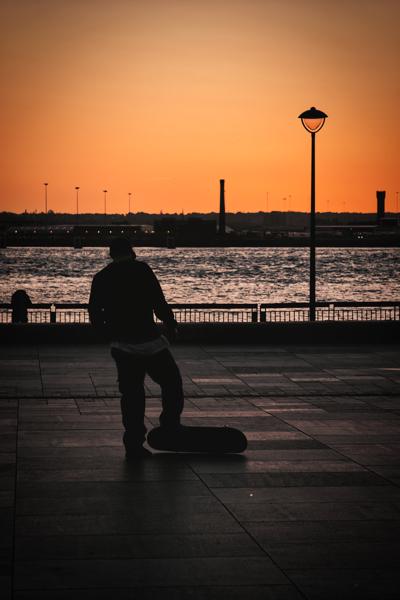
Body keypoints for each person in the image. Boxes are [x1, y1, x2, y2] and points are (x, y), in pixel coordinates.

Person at [88, 237, 184, 459]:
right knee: (171, 382)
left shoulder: (101, 277)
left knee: (132, 395)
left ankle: (134, 444)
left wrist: (107, 334)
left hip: (123, 345)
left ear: (111, 254)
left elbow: (94, 311)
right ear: (131, 251)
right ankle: (170, 424)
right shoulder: (142, 270)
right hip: (150, 342)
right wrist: (171, 325)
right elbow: (158, 301)